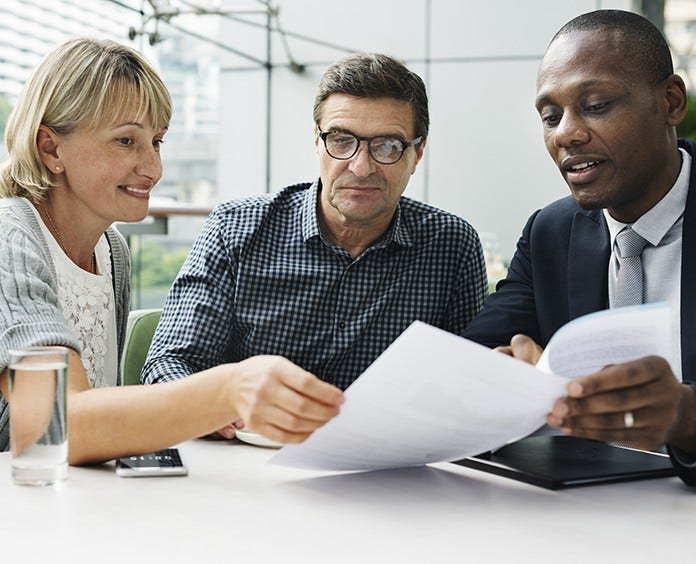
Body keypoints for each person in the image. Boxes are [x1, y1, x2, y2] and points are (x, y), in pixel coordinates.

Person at [0, 38, 343, 466]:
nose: (153, 168)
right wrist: (230, 388)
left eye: (157, 142)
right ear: (52, 148)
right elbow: (60, 427)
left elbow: (101, 427)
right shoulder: (9, 239)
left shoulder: (112, 252)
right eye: (126, 141)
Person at [142, 54, 487, 404]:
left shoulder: (451, 245)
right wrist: (226, 408)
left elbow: (471, 383)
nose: (361, 166)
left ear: (418, 153)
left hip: (386, 454)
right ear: (317, 142)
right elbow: (169, 365)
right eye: (341, 140)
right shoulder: (235, 229)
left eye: (387, 146)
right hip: (249, 448)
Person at [462, 9, 696, 486]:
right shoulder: (550, 231)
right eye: (551, 116)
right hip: (583, 517)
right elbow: (466, 364)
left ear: (671, 102)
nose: (566, 133)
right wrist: (499, 379)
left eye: (596, 105)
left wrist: (687, 418)